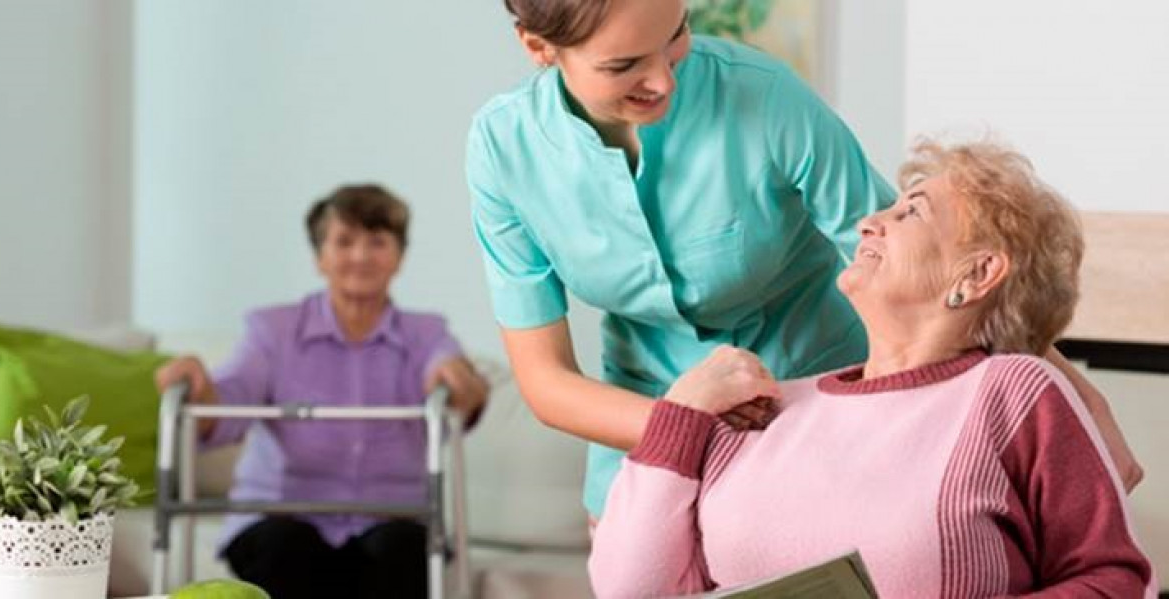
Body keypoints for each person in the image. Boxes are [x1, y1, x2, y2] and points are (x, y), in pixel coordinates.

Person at [466, 0, 1142, 522]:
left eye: (676, 34)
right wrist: (689, 423)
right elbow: (546, 381)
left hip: (823, 414)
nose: (664, 78)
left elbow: (929, 272)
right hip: (648, 431)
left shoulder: (763, 97)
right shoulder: (502, 151)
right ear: (538, 47)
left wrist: (1075, 398)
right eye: (623, 65)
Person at [589, 140, 1156, 598]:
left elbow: (1119, 583)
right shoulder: (762, 410)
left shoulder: (1011, 392)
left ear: (978, 273)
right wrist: (682, 411)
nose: (867, 224)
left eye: (911, 212)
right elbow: (629, 590)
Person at [155, 184, 489, 599]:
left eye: (377, 242)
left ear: (399, 256)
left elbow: (454, 378)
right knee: (285, 546)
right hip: (281, 522)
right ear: (319, 257)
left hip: (391, 523)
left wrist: (459, 380)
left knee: (402, 548)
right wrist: (199, 389)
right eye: (344, 241)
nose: (361, 256)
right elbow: (228, 403)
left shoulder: (427, 333)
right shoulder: (271, 329)